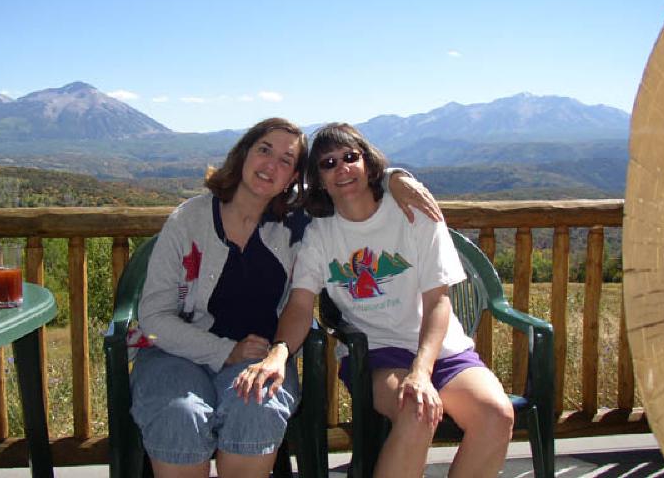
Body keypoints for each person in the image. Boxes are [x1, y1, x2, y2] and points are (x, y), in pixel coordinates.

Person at [130, 117, 441, 478]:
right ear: (244, 153)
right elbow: (153, 315)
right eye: (265, 150)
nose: (271, 165)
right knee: (180, 413)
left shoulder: (298, 225)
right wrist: (224, 351)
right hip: (174, 354)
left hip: (261, 358)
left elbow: (349, 188)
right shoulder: (190, 219)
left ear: (294, 177)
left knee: (258, 405)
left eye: (286, 160)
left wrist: (394, 177)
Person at [236, 122, 514, 478]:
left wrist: (422, 370)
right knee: (416, 412)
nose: (342, 168)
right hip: (377, 353)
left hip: (441, 350)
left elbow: (438, 302)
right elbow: (301, 304)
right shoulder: (319, 234)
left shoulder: (416, 214)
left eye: (350, 157)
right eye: (328, 163)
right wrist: (279, 351)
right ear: (317, 179)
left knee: (497, 415)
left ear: (368, 162)